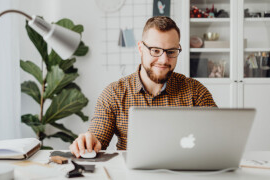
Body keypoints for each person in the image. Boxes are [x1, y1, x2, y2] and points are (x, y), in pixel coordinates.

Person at [69, 16, 217, 158]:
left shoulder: (195, 91)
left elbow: (219, 137)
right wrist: (88, 142)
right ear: (140, 48)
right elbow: (98, 138)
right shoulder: (114, 93)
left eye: (171, 52)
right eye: (155, 50)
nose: (164, 60)